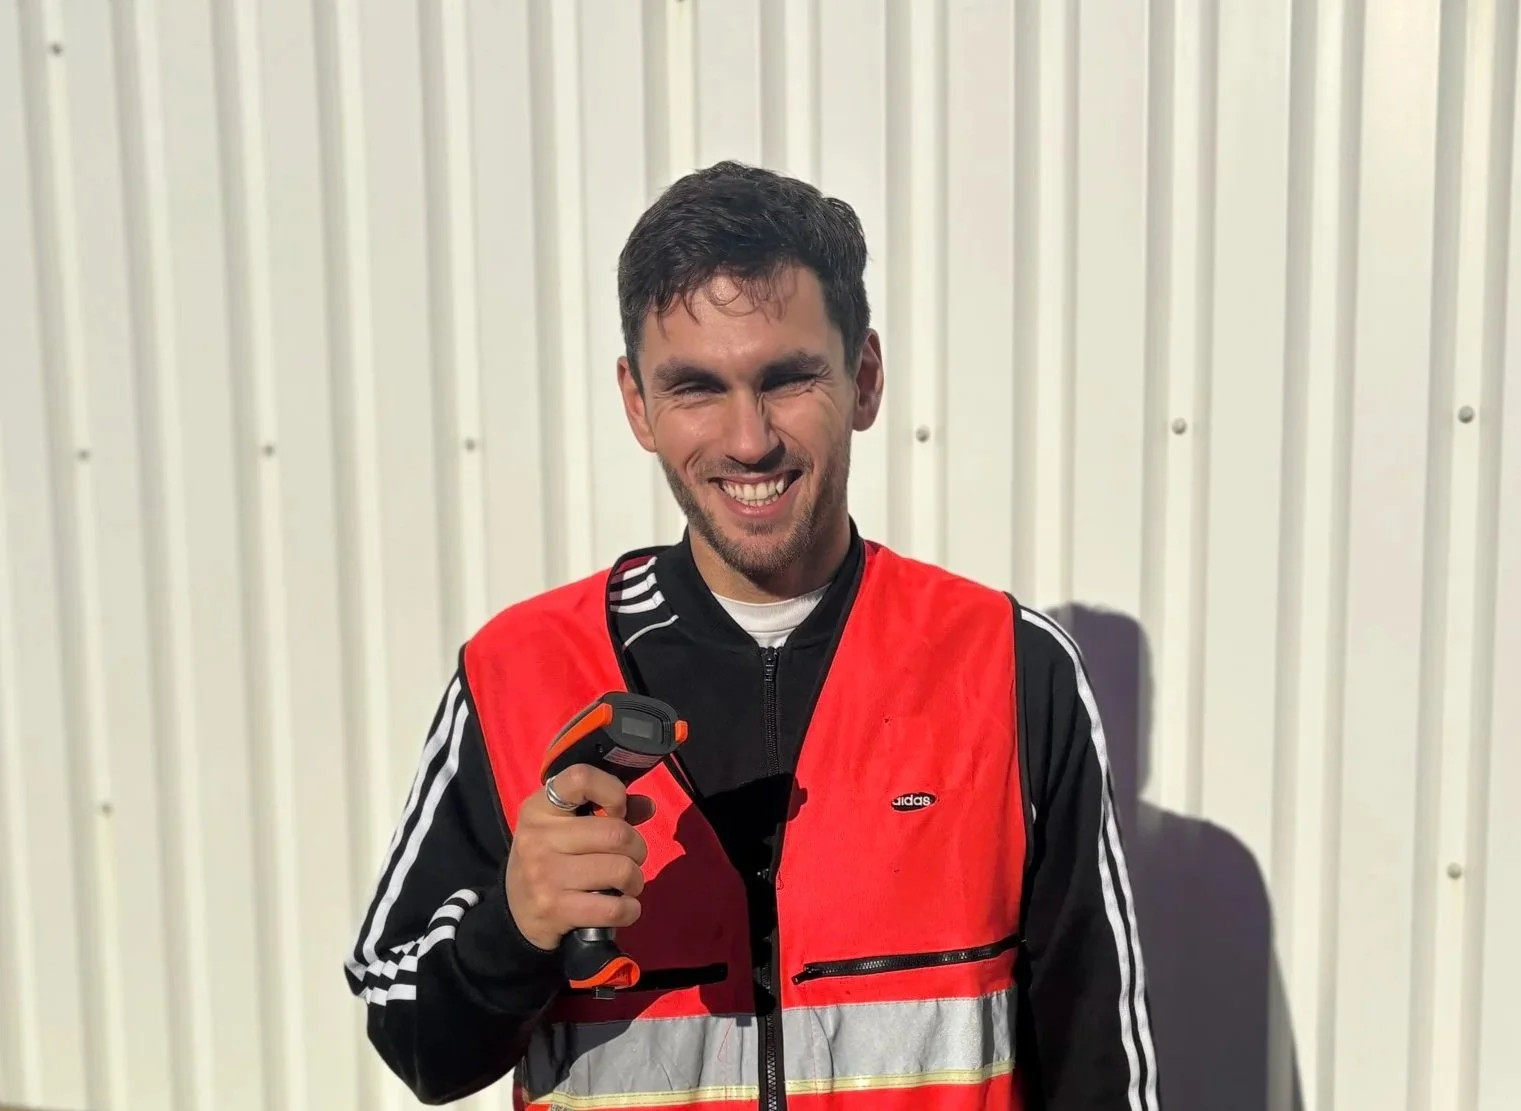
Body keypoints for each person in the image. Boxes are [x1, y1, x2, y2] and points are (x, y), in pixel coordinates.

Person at [344, 161, 1160, 1111]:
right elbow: (411, 1038)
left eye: (786, 378)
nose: (746, 440)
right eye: (694, 386)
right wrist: (513, 930)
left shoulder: (1007, 668)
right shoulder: (517, 673)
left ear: (864, 378)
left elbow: (1097, 1063)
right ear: (636, 403)